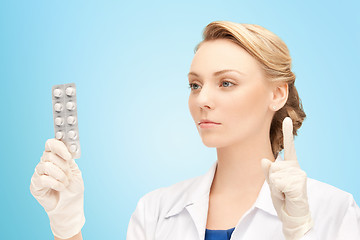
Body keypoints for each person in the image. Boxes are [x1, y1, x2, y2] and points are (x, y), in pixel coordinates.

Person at [30, 21, 360, 240]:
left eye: (226, 82)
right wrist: (67, 226)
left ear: (277, 94)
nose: (202, 99)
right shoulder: (156, 210)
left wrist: (301, 232)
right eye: (194, 85)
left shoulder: (332, 210)